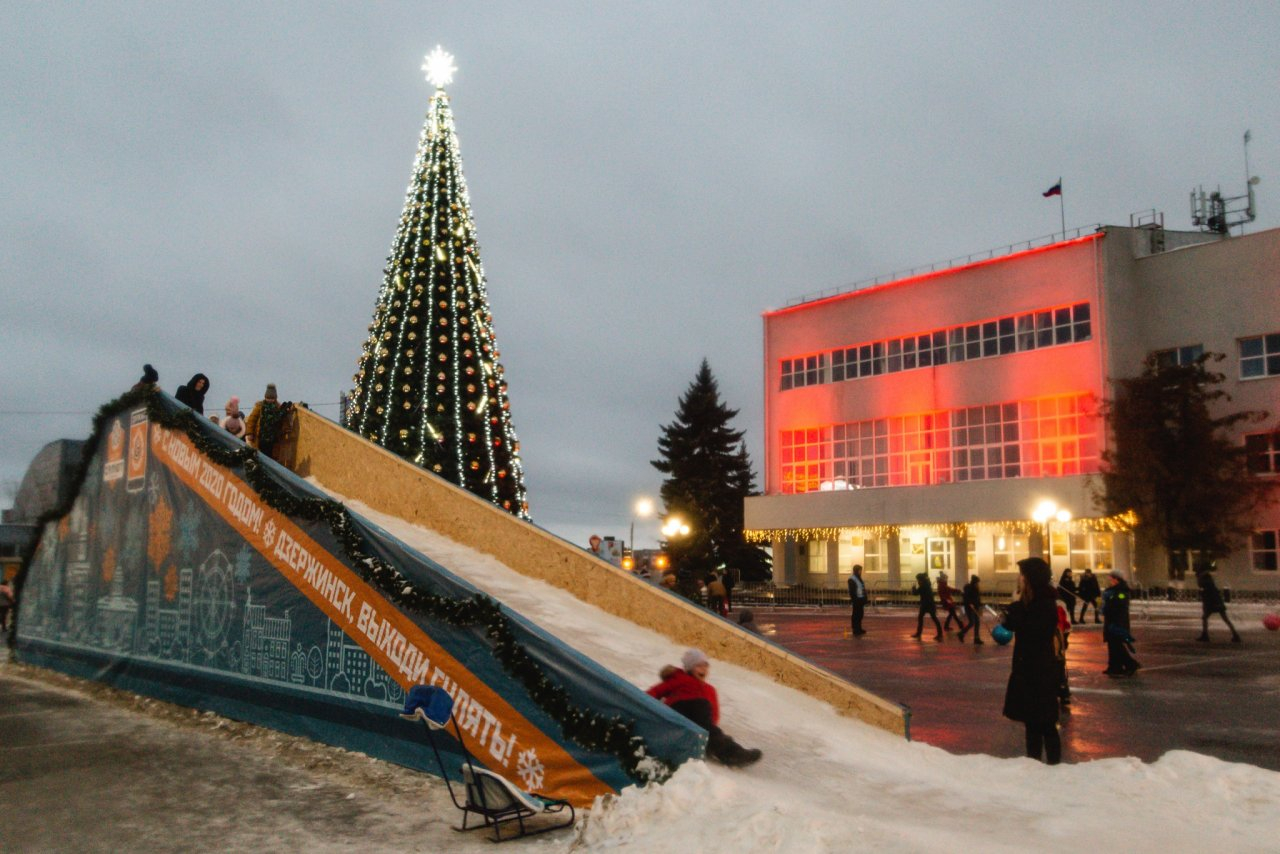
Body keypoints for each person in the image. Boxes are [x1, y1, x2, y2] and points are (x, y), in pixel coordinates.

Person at [647, 649, 761, 768]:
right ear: (690, 668)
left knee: (708, 724)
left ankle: (730, 752)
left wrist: (710, 730)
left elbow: (713, 714)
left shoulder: (710, 690)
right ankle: (727, 751)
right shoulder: (680, 679)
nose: (703, 669)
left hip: (699, 717)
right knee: (701, 705)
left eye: (706, 666)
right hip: (678, 711)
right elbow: (655, 691)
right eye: (699, 666)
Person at [1000, 557, 1063, 765]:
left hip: (1040, 671)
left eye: (1023, 575)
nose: (1020, 579)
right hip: (1030, 671)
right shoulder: (1032, 602)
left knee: (1045, 724)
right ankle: (1033, 765)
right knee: (1032, 724)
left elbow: (1034, 633)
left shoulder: (1044, 603)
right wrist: (1011, 618)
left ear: (1031, 579)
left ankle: (1055, 768)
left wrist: (1017, 615)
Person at [1101, 570, 1141, 676]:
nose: (1110, 581)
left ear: (1116, 579)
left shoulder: (1122, 591)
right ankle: (1114, 666)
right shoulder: (1113, 590)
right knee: (1112, 644)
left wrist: (1108, 603)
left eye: (1111, 579)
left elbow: (1120, 605)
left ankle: (1130, 664)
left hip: (1117, 622)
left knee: (1116, 645)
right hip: (1111, 620)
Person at [1194, 565, 1242, 643]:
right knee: (1225, 619)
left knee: (1205, 618)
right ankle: (1235, 634)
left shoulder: (1204, 579)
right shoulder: (1208, 578)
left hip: (1211, 602)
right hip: (1217, 600)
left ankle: (1205, 635)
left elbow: (1201, 586)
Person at [910, 571, 943, 641]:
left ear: (920, 579)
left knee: (923, 618)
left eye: (918, 580)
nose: (918, 581)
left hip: (926, 604)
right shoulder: (927, 584)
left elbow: (916, 593)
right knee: (933, 618)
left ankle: (919, 633)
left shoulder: (923, 586)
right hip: (929, 604)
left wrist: (913, 588)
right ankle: (940, 633)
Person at [957, 575, 984, 645]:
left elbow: (978, 599)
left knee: (977, 622)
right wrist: (970, 603)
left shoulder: (976, 589)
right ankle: (961, 633)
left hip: (976, 607)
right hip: (969, 608)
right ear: (974, 582)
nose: (978, 584)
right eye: (977, 583)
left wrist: (980, 606)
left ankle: (976, 638)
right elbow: (966, 597)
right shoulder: (968, 588)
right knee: (972, 622)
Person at [847, 564, 868, 636]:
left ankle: (859, 628)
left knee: (860, 614)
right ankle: (855, 629)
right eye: (859, 570)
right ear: (856, 570)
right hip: (856, 599)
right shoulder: (852, 579)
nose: (860, 572)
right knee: (856, 615)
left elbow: (862, 588)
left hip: (860, 599)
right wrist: (854, 599)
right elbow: (852, 591)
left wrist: (865, 597)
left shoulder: (859, 578)